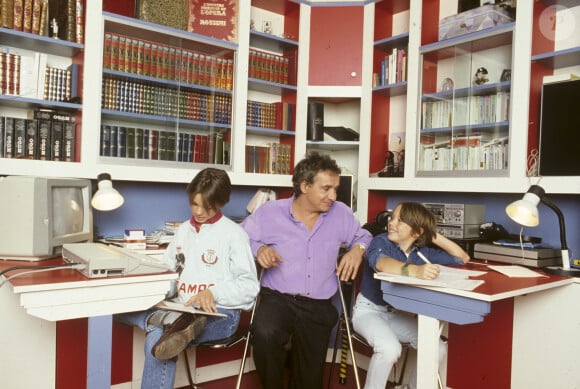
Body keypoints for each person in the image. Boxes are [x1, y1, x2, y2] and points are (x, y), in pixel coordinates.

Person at [115, 168, 260, 389]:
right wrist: (152, 288)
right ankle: (169, 320)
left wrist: (213, 292)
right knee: (118, 307)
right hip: (181, 310)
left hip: (219, 315)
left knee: (158, 337)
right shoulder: (183, 231)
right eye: (194, 204)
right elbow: (167, 270)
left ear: (220, 203)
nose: (199, 211)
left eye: (207, 207)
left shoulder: (234, 234)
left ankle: (167, 323)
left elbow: (250, 288)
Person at [241, 153, 373, 389]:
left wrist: (357, 250)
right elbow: (239, 238)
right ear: (304, 186)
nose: (333, 196)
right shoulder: (270, 212)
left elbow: (364, 235)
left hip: (318, 305)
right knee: (264, 333)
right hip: (278, 300)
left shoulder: (341, 213)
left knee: (309, 382)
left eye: (335, 188)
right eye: (326, 189)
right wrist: (258, 248)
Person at [352, 202, 470, 389]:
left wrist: (431, 234)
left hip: (395, 315)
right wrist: (415, 271)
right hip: (368, 312)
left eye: (401, 221)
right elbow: (382, 264)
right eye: (392, 218)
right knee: (390, 349)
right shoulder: (381, 241)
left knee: (437, 348)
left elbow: (462, 258)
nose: (392, 223)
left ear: (416, 232)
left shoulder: (421, 252)